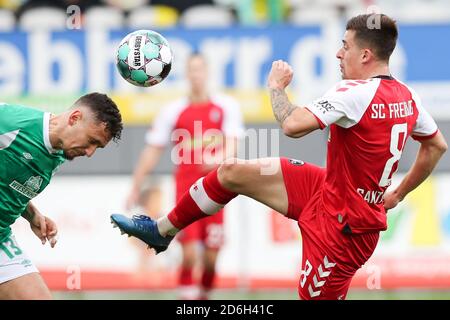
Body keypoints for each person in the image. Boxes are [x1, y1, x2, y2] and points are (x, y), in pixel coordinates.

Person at [111, 14, 448, 299]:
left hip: (345, 229)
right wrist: (398, 194)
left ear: (364, 55)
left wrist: (276, 87)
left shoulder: (354, 93)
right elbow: (436, 146)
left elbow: (291, 125)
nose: (337, 53)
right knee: (231, 172)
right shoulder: (408, 96)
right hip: (326, 190)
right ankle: (161, 231)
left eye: (345, 46)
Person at [123, 53, 244, 300]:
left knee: (210, 260)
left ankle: (203, 297)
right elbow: (152, 149)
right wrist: (135, 186)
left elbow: (233, 145)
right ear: (186, 75)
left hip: (217, 191)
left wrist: (217, 158)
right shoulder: (173, 111)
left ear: (207, 72)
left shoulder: (226, 106)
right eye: (191, 70)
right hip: (186, 190)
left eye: (200, 69)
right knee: (189, 255)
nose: (196, 75)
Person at [0, 93, 123, 299]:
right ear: (74, 118)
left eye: (97, 147)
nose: (90, 152)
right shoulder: (12, 121)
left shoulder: (59, 152)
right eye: (91, 141)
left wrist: (32, 214)